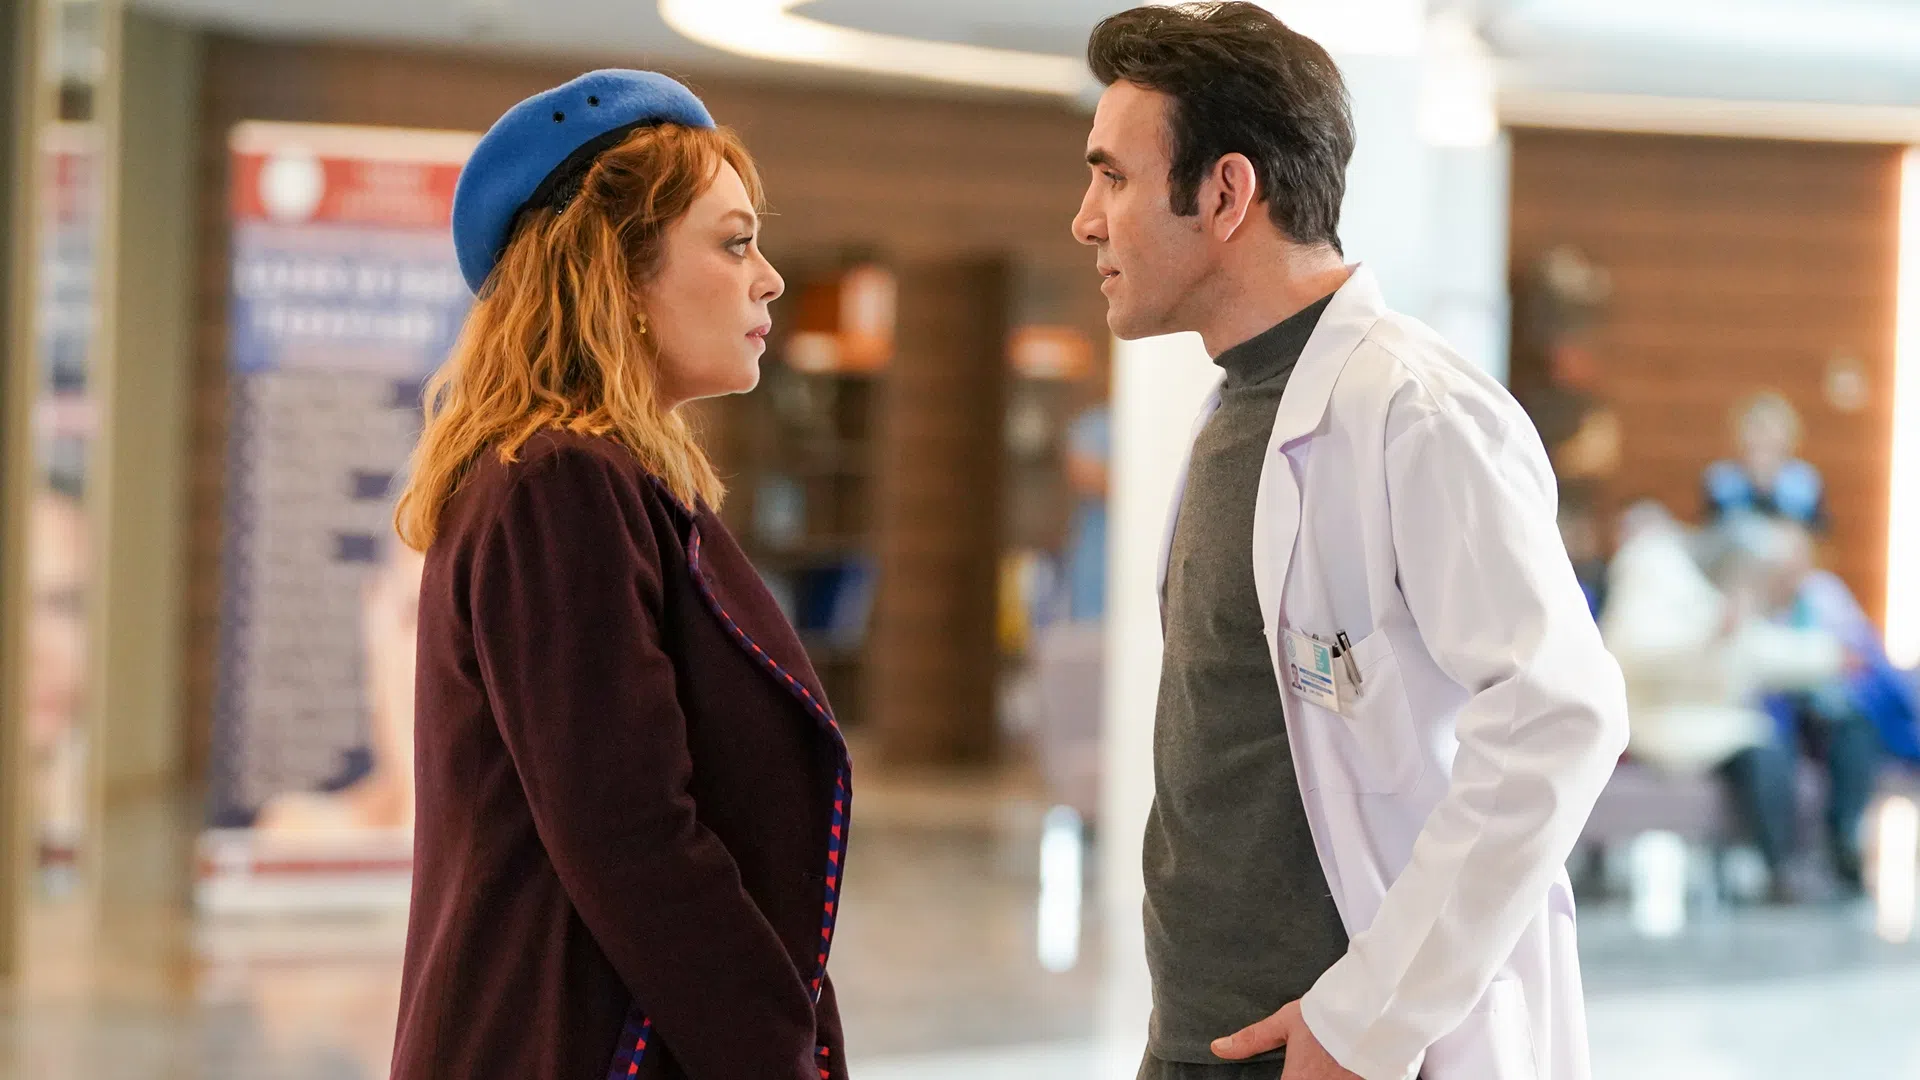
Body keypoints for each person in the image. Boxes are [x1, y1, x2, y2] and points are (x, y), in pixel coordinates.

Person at [1073, 7, 1627, 1079]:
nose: (1086, 219)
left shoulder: (1416, 413)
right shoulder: (1240, 407)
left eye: (1114, 178)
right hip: (1200, 1037)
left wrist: (1365, 1019)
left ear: (1225, 194)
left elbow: (1560, 714)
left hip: (1343, 1048)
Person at [387, 71, 851, 1080]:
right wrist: (780, 1054)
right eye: (734, 243)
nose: (769, 279)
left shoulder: (594, 480)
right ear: (617, 273)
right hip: (584, 1043)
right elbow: (632, 835)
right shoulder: (559, 484)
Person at [1703, 391, 1826, 529]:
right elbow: (1713, 526)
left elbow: (1817, 530)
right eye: (1756, 428)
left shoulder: (1805, 480)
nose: (1762, 438)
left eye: (1769, 431)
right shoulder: (1721, 479)